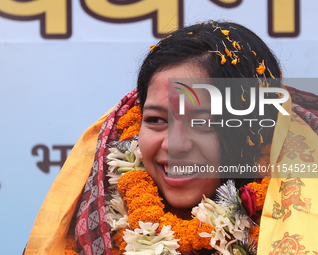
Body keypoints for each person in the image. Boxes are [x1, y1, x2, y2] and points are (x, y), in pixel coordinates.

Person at [23, 21, 318, 255]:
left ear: (256, 130)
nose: (174, 145)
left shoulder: (306, 227)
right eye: (156, 120)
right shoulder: (96, 229)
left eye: (202, 122)